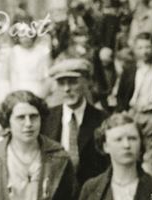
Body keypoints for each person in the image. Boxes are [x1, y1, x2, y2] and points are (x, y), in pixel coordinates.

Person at [79, 113, 152, 200]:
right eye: (118, 139)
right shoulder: (91, 188)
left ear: (140, 143)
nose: (126, 145)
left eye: (132, 138)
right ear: (106, 146)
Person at [41, 58, 109, 186]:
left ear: (87, 82)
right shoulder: (46, 118)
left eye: (73, 82)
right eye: (61, 83)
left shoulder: (102, 120)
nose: (67, 89)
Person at [115, 33, 152, 178]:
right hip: (133, 115)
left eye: (148, 47)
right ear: (135, 50)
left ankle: (151, 189)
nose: (145, 51)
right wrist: (124, 112)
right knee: (131, 151)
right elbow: (121, 95)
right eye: (140, 47)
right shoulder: (129, 71)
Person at [4, 22, 52, 99]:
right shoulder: (14, 51)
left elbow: (46, 74)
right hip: (19, 88)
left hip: (37, 88)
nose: (26, 38)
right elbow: (12, 74)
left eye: (29, 34)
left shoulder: (41, 51)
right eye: (22, 35)